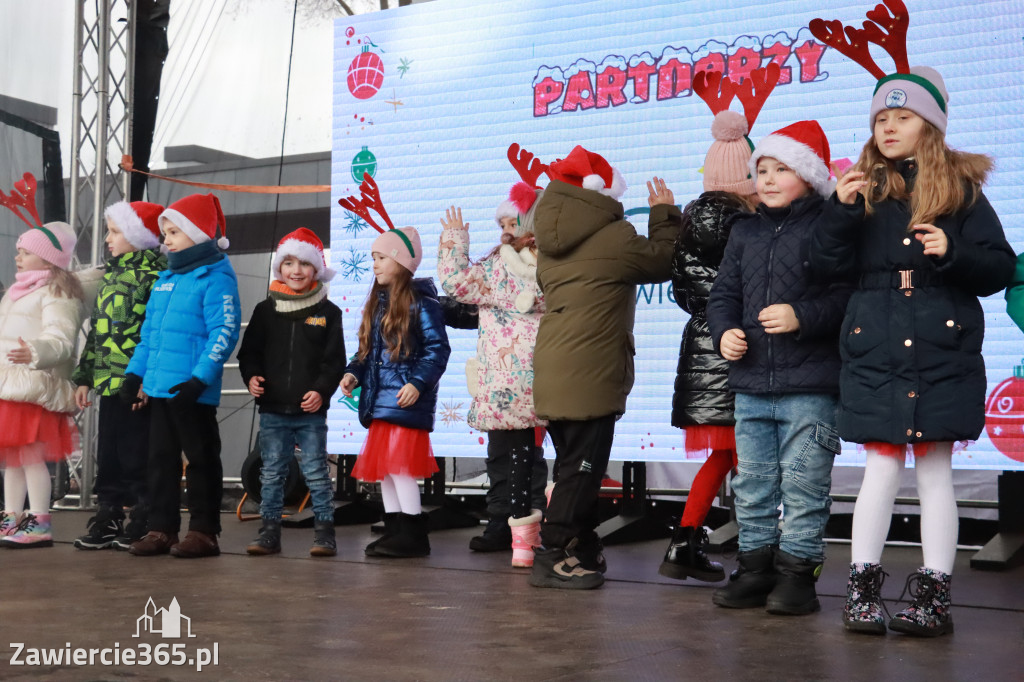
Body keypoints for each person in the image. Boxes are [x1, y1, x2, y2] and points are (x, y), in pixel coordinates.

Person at [805, 17, 1016, 634]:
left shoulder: (964, 192)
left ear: (932, 124)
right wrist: (841, 214)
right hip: (874, 341)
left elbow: (999, 267)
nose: (888, 126)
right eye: (879, 118)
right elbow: (822, 267)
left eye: (901, 116)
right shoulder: (859, 191)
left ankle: (934, 597)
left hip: (941, 342)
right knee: (878, 466)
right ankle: (862, 591)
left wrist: (951, 249)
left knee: (934, 470)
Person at [706, 120, 851, 614]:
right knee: (753, 483)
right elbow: (724, 293)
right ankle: (754, 569)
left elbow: (846, 298)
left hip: (811, 384)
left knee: (805, 482)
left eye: (781, 168)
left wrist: (802, 317)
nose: (767, 178)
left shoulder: (829, 228)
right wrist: (723, 329)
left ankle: (799, 576)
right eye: (761, 168)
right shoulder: (743, 231)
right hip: (751, 383)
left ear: (810, 176)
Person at [528, 145, 676, 589]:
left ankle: (583, 545)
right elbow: (664, 260)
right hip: (590, 373)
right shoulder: (613, 236)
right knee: (582, 469)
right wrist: (665, 214)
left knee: (575, 466)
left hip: (555, 369)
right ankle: (553, 551)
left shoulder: (550, 244)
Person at [660, 65, 779, 582]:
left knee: (729, 459)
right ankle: (756, 555)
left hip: (702, 353)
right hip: (737, 356)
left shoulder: (690, 224)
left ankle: (685, 543)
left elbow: (686, 293)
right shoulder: (749, 227)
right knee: (749, 462)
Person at [120, 193, 241, 559]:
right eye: (165, 232)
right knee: (160, 460)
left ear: (199, 234)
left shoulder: (216, 277)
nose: (166, 239)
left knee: (201, 459)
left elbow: (224, 332)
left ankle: (204, 532)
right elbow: (149, 336)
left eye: (174, 232)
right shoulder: (165, 280)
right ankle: (162, 529)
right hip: (159, 389)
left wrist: (199, 380)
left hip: (192, 392)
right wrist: (134, 375)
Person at [437, 182, 547, 567]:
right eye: (500, 222)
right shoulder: (524, 262)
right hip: (526, 378)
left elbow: (454, 282)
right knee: (511, 455)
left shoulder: (503, 267)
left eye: (510, 221)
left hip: (526, 379)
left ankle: (523, 530)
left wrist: (454, 241)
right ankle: (511, 527)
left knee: (523, 457)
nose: (503, 228)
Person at [340, 224, 450, 558]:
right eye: (373, 258)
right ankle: (394, 531)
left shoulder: (423, 304)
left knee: (400, 469)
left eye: (381, 257)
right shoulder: (377, 304)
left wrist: (417, 383)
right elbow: (366, 353)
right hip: (380, 402)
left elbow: (437, 350)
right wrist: (352, 373)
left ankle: (414, 535)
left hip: (404, 402)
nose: (374, 264)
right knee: (385, 471)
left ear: (401, 262)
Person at [238, 228, 346, 557]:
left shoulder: (329, 313)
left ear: (316, 270)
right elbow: (249, 353)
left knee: (315, 470)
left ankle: (325, 533)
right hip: (272, 409)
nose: (296, 270)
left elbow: (334, 363)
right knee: (272, 471)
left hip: (310, 412)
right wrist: (251, 377)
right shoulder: (265, 310)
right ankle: (269, 531)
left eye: (304, 263)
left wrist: (321, 391)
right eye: (288, 263)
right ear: (279, 268)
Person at [72, 200, 166, 550]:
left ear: (138, 235)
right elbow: (96, 332)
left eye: (114, 231)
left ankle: (143, 513)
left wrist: (145, 379)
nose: (107, 239)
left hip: (136, 383)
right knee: (108, 449)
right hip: (107, 381)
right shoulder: (110, 274)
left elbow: (155, 333)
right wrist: (84, 376)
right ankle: (108, 512)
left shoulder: (156, 276)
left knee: (136, 449)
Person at [0, 221, 85, 548]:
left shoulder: (57, 292)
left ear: (49, 260)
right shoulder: (16, 291)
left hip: (36, 387)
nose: (17, 257)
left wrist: (35, 351)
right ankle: (11, 519)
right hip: (12, 387)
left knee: (32, 458)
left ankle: (39, 522)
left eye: (26, 252)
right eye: (19, 251)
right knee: (13, 460)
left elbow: (62, 338)